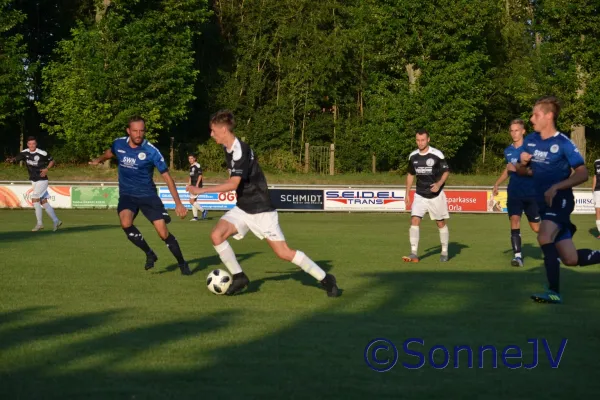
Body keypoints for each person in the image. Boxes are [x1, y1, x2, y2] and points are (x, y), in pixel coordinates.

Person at [187, 110, 339, 297]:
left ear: (224, 129)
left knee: (283, 253)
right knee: (216, 235)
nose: (211, 134)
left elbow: (233, 183)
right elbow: (235, 180)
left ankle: (326, 279)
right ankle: (239, 276)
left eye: (213, 130)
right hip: (243, 208)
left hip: (261, 210)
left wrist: (200, 191)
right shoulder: (227, 149)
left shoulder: (239, 150)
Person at [515, 96, 600, 304]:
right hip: (544, 204)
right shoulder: (531, 141)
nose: (531, 118)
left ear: (549, 116)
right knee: (570, 259)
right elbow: (521, 170)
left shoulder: (563, 143)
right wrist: (522, 163)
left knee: (544, 237)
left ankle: (554, 292)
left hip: (560, 200)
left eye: (536, 114)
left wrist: (557, 186)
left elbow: (582, 174)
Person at [89, 116, 191, 275]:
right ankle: (150, 253)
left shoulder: (151, 151)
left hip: (148, 195)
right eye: (135, 131)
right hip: (127, 194)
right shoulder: (119, 143)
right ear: (128, 131)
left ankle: (182, 263)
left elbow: (167, 177)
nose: (138, 134)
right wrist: (98, 159)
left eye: (141, 131)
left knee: (163, 233)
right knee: (125, 222)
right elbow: (110, 153)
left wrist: (178, 203)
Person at [492, 119, 540, 267]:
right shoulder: (508, 150)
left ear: (523, 131)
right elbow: (508, 169)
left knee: (536, 228)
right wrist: (497, 183)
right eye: (511, 130)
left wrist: (518, 169)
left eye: (517, 130)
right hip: (514, 193)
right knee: (514, 220)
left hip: (531, 193)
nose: (514, 133)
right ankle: (518, 257)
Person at [403, 130, 450, 262]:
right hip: (420, 195)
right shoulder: (413, 156)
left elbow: (446, 172)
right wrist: (407, 193)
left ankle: (445, 251)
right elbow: (411, 175)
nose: (420, 143)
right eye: (418, 140)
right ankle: (413, 253)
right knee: (414, 220)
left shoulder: (437, 154)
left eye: (423, 140)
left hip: (436, 196)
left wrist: (439, 184)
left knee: (440, 223)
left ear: (428, 139)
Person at [6, 136, 63, 231]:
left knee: (35, 199)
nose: (32, 145)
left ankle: (39, 224)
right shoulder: (25, 152)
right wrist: (11, 160)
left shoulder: (42, 153)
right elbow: (17, 158)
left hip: (42, 179)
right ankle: (56, 221)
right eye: (30, 144)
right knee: (43, 202)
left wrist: (47, 169)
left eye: (33, 143)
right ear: (27, 144)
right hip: (33, 180)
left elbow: (52, 161)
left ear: (36, 144)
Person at [187, 154, 208, 221]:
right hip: (192, 185)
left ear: (195, 158)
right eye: (189, 158)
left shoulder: (197, 165)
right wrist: (188, 185)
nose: (190, 160)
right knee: (194, 201)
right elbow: (190, 177)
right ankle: (195, 217)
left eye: (191, 158)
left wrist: (197, 184)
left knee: (191, 201)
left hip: (196, 185)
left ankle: (203, 211)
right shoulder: (191, 167)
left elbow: (200, 175)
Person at [592, 158, 600, 237]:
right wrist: (593, 189)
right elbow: (595, 176)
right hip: (598, 190)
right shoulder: (596, 162)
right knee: (598, 211)